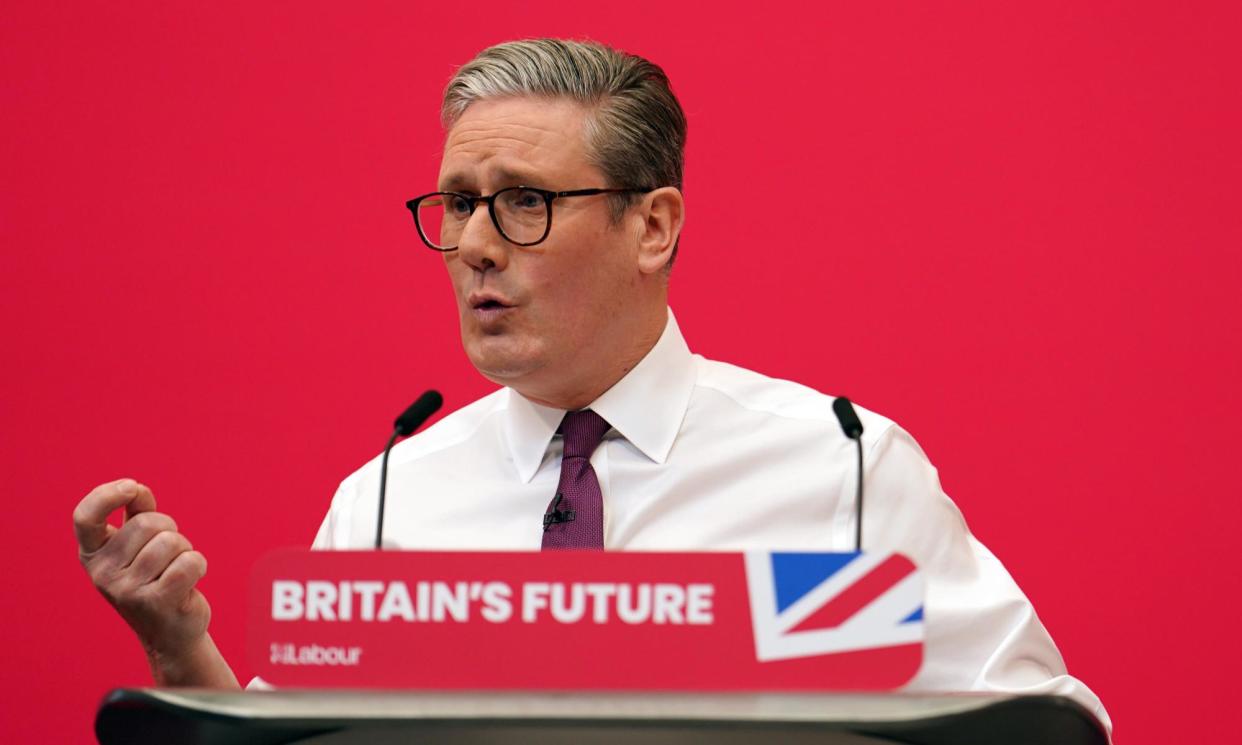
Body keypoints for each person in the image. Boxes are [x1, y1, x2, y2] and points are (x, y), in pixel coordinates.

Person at [73, 38, 1110, 730]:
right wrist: (182, 648)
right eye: (459, 203)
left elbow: (1043, 724)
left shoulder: (840, 470)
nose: (476, 243)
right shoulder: (392, 496)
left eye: (523, 200)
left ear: (651, 226)